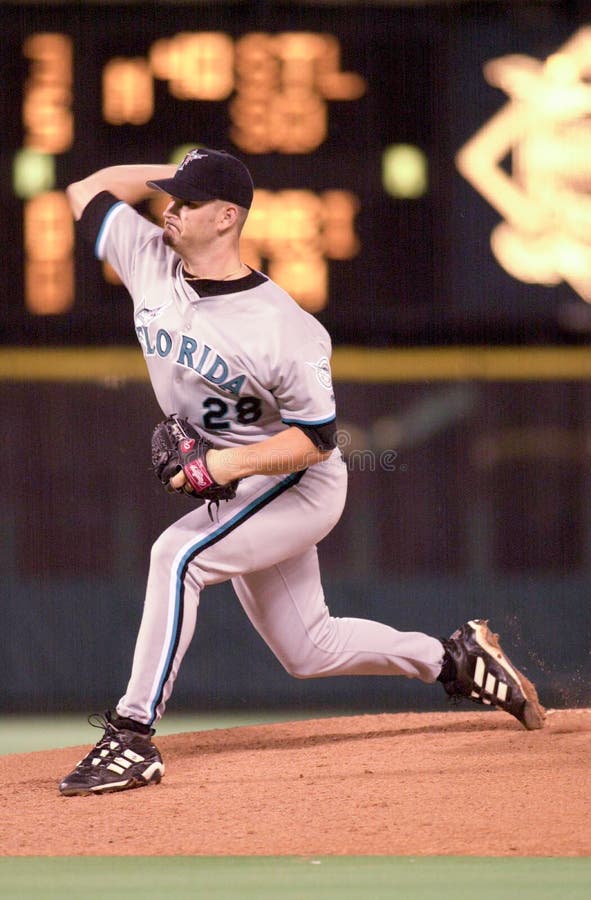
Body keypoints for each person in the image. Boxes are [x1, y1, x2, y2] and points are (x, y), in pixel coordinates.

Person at [59, 147, 545, 796]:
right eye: (171, 198)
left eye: (189, 202)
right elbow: (83, 190)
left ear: (227, 217)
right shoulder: (147, 257)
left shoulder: (284, 326)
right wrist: (163, 174)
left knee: (177, 556)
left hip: (297, 483)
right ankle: (454, 659)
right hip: (240, 486)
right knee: (308, 650)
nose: (170, 211)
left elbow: (316, 441)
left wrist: (222, 463)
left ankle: (131, 735)